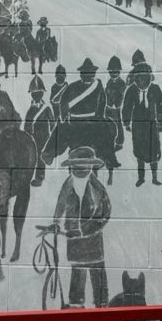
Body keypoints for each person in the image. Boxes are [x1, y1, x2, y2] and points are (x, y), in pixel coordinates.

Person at [54, 146, 110, 308]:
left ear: (90, 166)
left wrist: (84, 230)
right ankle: (76, 304)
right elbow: (60, 204)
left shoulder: (97, 187)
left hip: (92, 238)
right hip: (73, 235)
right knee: (77, 269)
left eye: (83, 166)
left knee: (96, 269)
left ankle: (101, 304)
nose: (79, 170)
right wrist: (55, 222)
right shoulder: (68, 184)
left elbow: (104, 214)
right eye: (76, 166)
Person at [59, 59, 118, 172]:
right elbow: (63, 102)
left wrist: (99, 117)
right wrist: (64, 117)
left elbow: (102, 102)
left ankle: (110, 158)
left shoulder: (98, 86)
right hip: (77, 121)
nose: (89, 75)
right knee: (58, 134)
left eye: (91, 73)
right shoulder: (72, 86)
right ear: (82, 74)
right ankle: (49, 154)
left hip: (91, 120)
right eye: (86, 73)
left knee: (108, 132)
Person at [122, 62, 162, 187]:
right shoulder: (131, 90)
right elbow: (126, 107)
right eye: (139, 77)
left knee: (154, 152)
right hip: (138, 126)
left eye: (144, 77)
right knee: (139, 152)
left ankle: (154, 178)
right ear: (135, 78)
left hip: (152, 126)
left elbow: (161, 107)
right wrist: (126, 122)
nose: (141, 80)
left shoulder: (155, 89)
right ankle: (141, 178)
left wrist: (161, 122)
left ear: (149, 77)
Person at [24, 75, 55, 187]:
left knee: (41, 158)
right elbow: (27, 123)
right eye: (34, 93)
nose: (36, 95)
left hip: (43, 137)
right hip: (32, 137)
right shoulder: (30, 108)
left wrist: (52, 138)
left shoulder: (46, 107)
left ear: (42, 93)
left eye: (38, 92)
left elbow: (52, 123)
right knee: (31, 157)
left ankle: (39, 178)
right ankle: (28, 177)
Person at [104, 56, 126, 154]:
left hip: (116, 108)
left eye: (115, 71)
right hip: (108, 107)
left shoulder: (121, 83)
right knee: (107, 124)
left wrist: (116, 104)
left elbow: (120, 96)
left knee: (118, 124)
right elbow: (106, 93)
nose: (112, 73)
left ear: (119, 71)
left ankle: (119, 143)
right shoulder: (109, 82)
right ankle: (108, 141)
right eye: (111, 71)